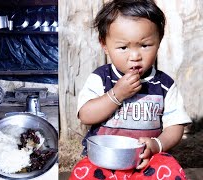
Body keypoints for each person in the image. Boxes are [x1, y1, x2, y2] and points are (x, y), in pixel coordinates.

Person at [70, 0, 192, 179]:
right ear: (104, 45)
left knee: (171, 171)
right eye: (123, 47)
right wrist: (115, 95)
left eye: (144, 45)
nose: (134, 56)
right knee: (82, 173)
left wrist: (156, 145)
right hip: (104, 159)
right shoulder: (101, 78)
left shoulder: (164, 84)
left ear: (159, 40)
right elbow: (86, 115)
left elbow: (175, 126)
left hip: (147, 160)